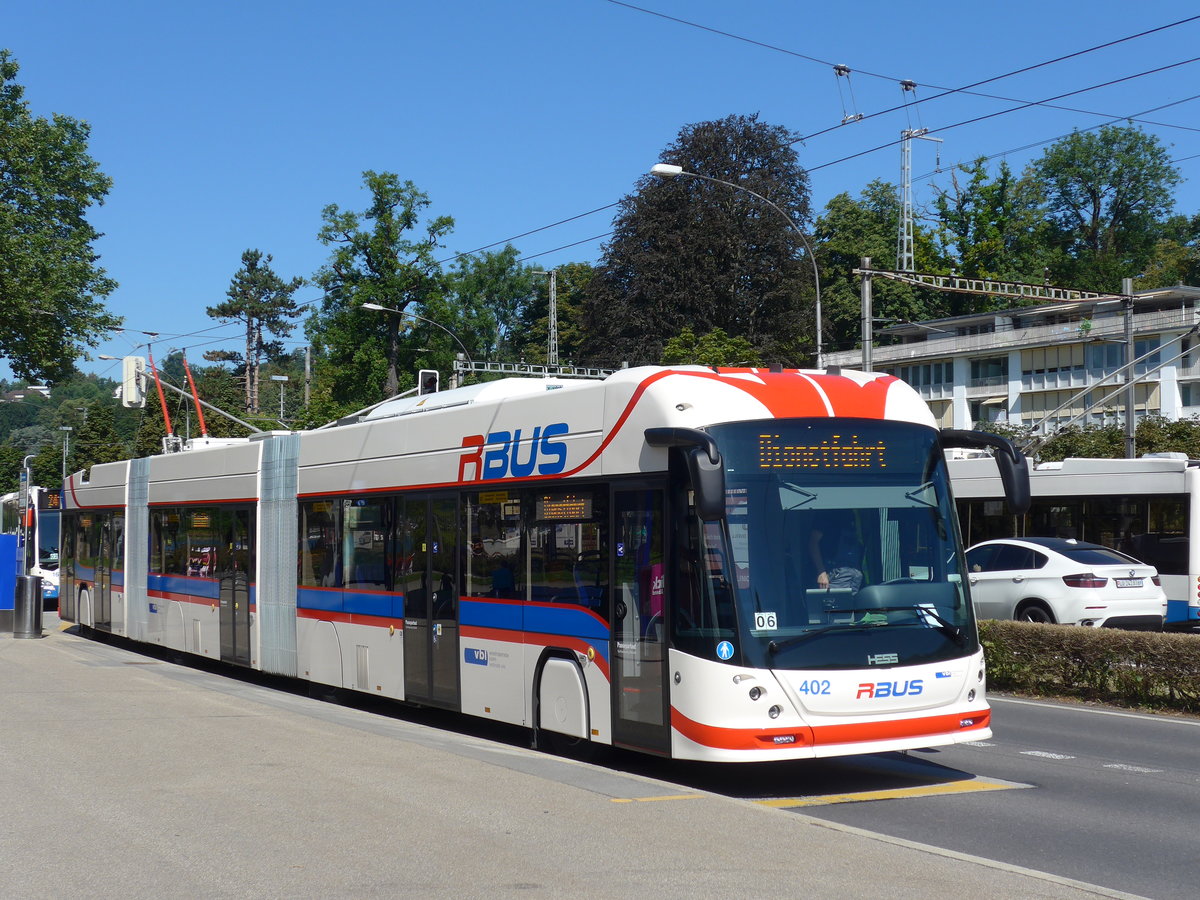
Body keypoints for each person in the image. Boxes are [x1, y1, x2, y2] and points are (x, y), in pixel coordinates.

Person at [809, 512, 864, 593]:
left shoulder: (854, 513)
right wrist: (821, 572)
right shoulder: (827, 513)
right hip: (836, 574)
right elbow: (813, 542)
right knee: (838, 604)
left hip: (856, 574)